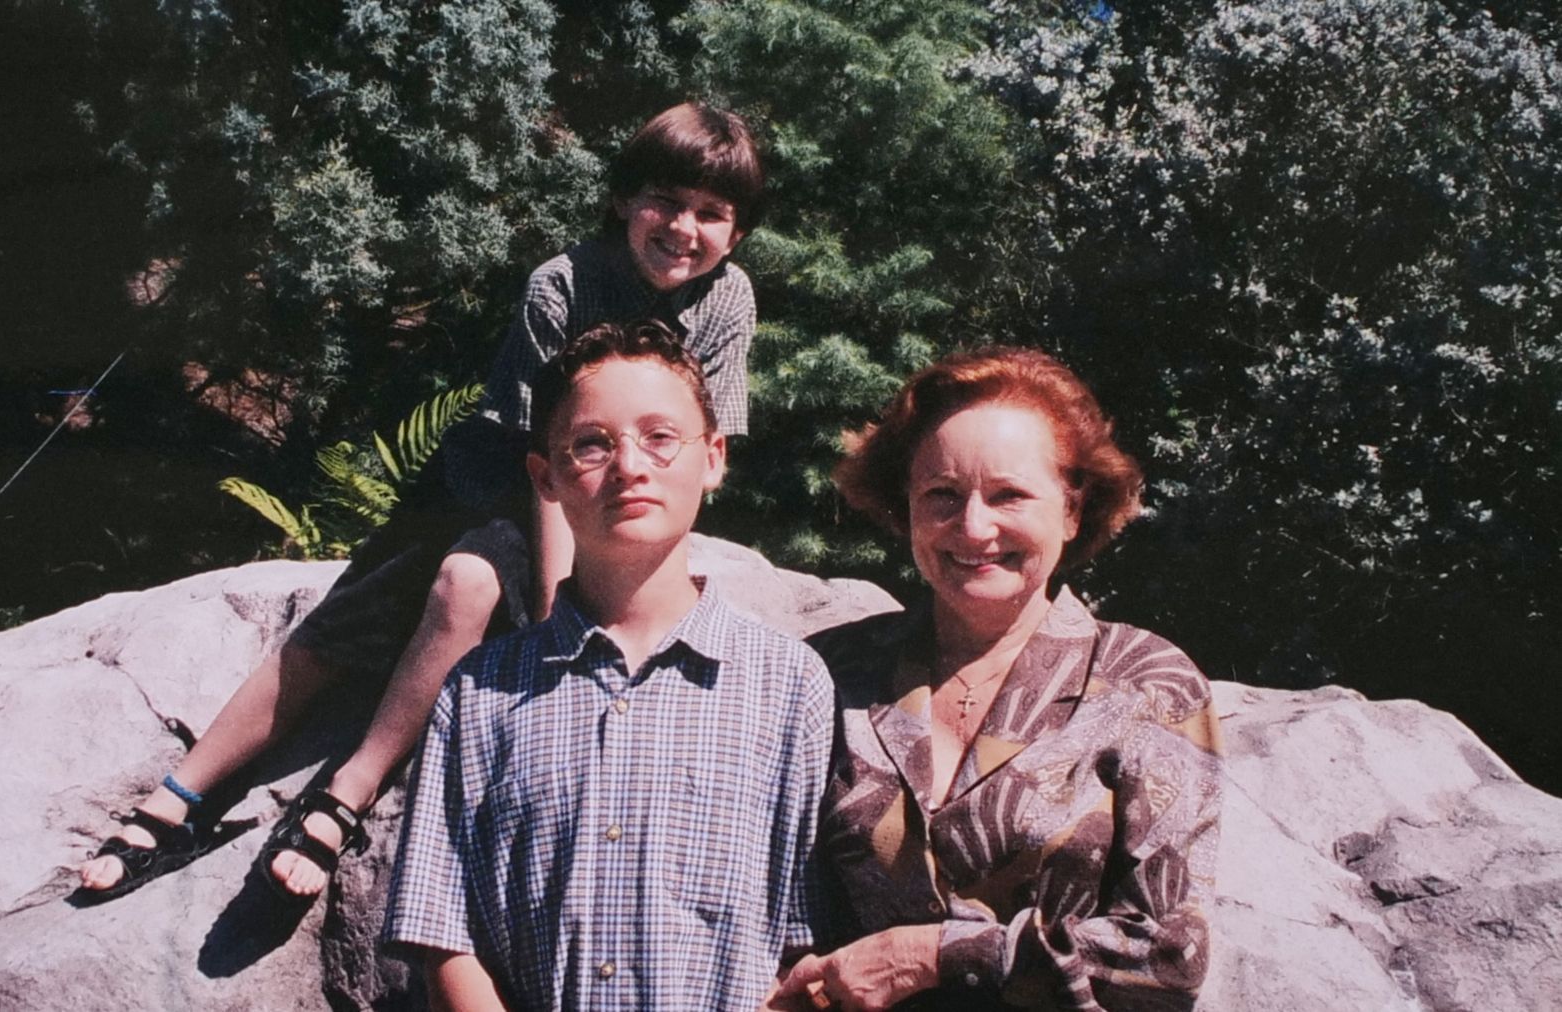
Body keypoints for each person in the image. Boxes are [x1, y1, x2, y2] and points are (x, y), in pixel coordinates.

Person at [75, 102, 766, 902]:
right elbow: (536, 462)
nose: (683, 229)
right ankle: (177, 797)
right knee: (350, 617)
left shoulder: (728, 300)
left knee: (464, 588)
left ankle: (347, 791)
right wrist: (557, 612)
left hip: (608, 484)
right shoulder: (564, 283)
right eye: (665, 202)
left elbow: (702, 446)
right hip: (506, 474)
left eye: (711, 214)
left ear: (736, 233)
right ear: (622, 200)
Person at [384, 320, 833, 1011]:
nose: (629, 466)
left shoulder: (789, 684)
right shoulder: (478, 691)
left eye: (660, 437)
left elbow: (802, 936)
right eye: (591, 444)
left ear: (713, 458)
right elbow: (442, 931)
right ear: (547, 477)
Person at [773, 347, 1222, 1011]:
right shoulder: (829, 671)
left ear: (1072, 509)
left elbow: (1169, 956)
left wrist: (934, 956)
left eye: (1009, 495)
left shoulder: (1147, 684)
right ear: (905, 505)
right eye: (942, 496)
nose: (973, 527)